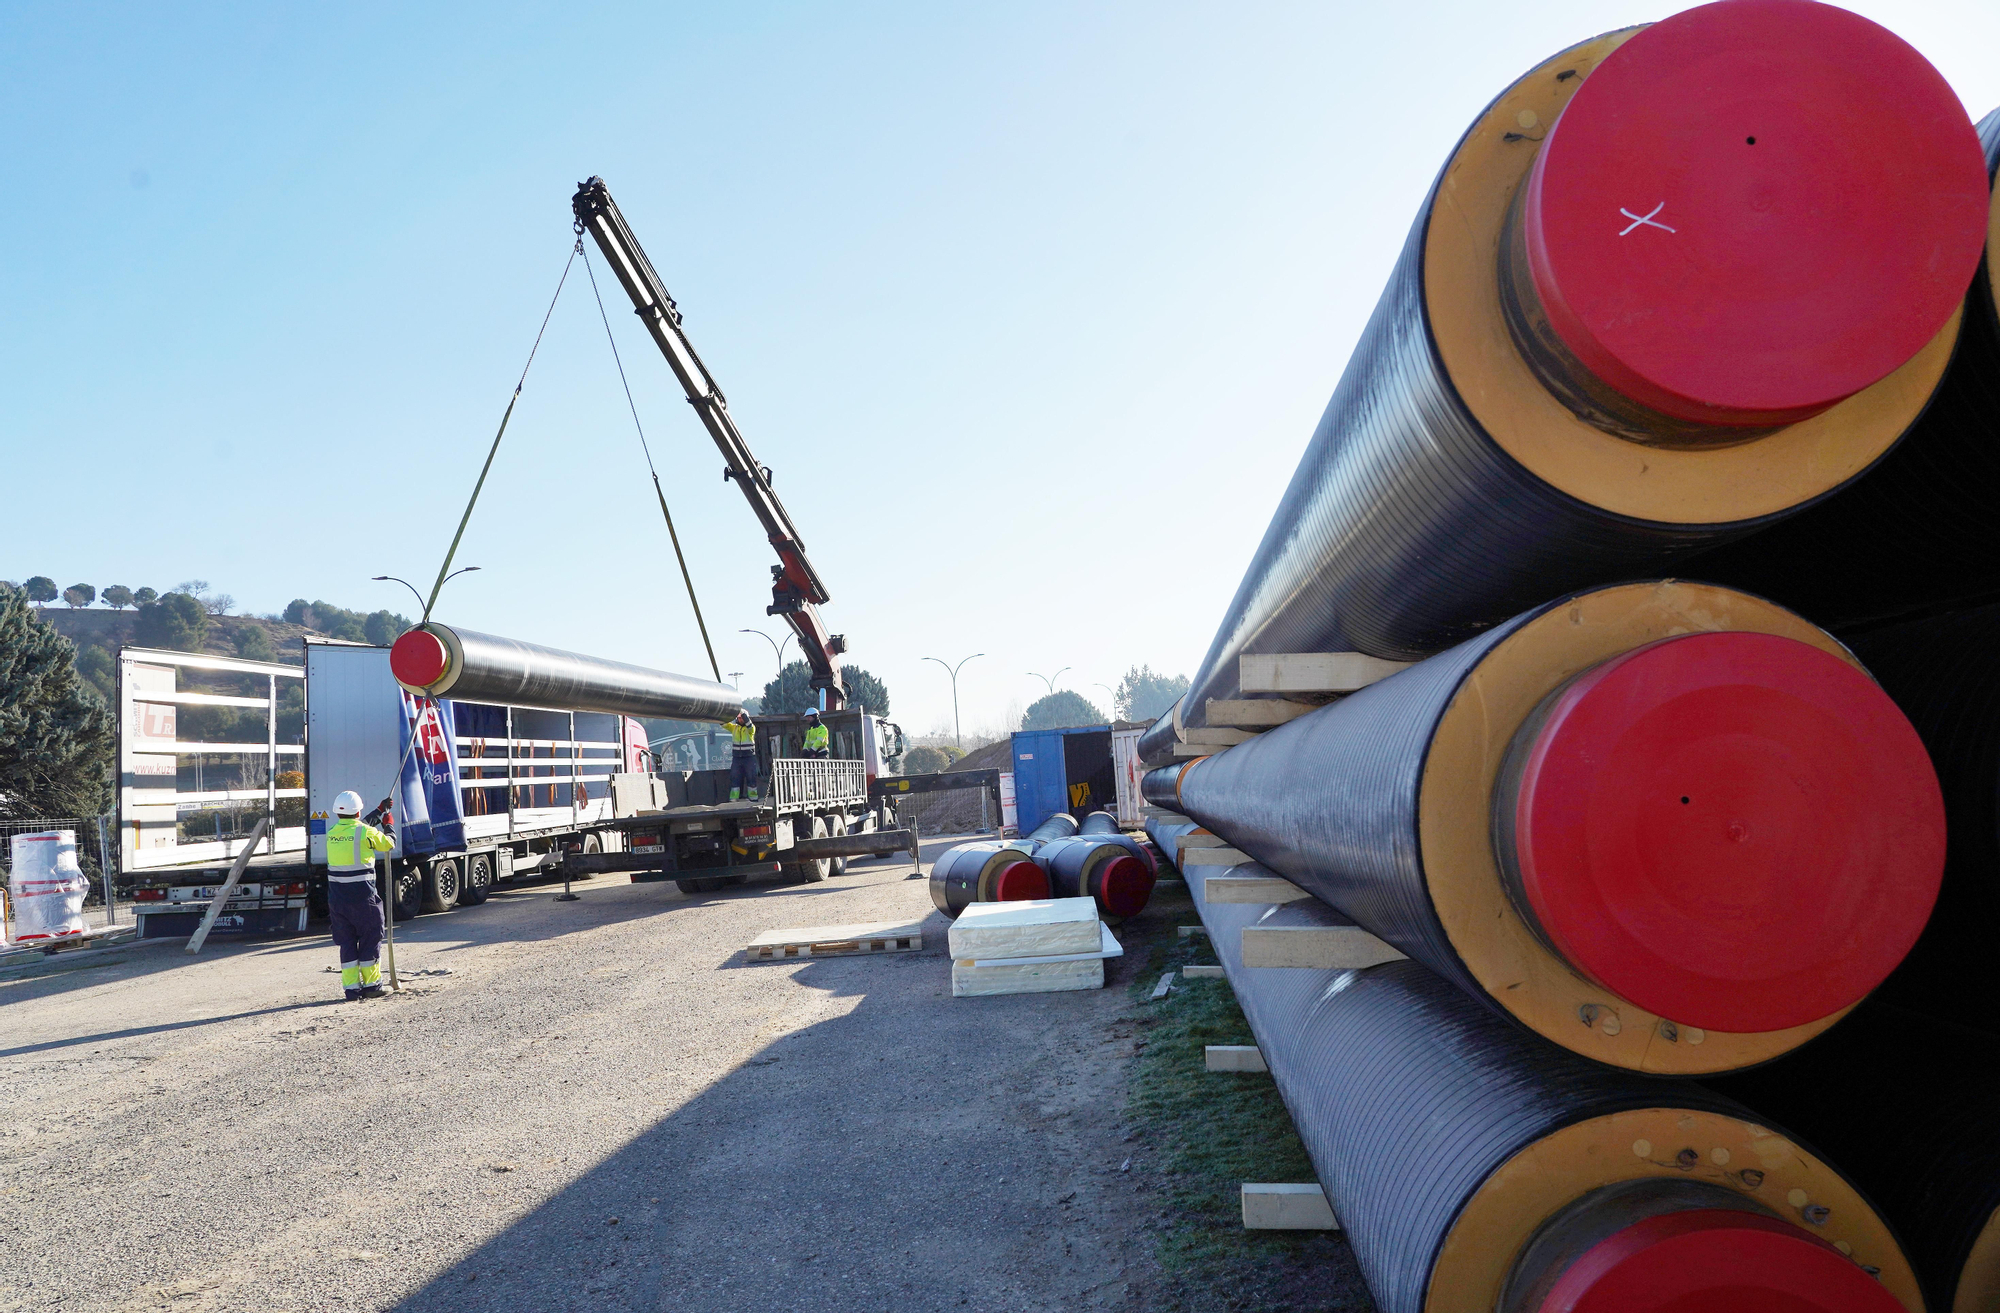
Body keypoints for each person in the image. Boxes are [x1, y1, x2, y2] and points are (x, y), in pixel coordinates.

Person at [325, 790, 395, 1001]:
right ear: (358, 811)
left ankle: (352, 990)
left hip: (337, 900)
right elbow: (388, 843)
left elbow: (359, 825)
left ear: (338, 812)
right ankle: (373, 985)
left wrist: (379, 810)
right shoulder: (365, 832)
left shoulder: (333, 833)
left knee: (346, 942)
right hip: (363, 897)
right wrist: (388, 823)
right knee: (371, 936)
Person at [727, 710, 760, 801]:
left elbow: (749, 724)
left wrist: (740, 711)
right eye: (738, 718)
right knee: (735, 777)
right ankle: (734, 799)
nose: (740, 719)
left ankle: (753, 799)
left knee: (751, 777)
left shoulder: (751, 729)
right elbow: (724, 723)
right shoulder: (734, 728)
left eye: (741, 717)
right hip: (737, 757)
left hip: (749, 757)